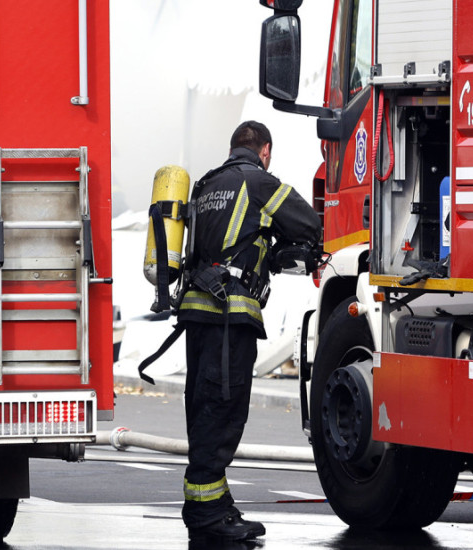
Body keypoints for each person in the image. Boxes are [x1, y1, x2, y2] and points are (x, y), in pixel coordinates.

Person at [177, 121, 322, 545]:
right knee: (222, 412)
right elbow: (308, 224)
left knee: (202, 409)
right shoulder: (258, 182)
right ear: (265, 151)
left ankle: (215, 504)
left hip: (196, 313)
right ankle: (206, 514)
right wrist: (277, 249)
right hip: (229, 314)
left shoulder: (206, 185)